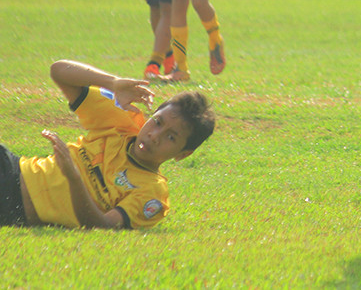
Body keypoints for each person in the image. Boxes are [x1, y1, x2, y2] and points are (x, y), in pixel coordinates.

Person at [0, 59, 214, 229]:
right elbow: (59, 71)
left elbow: (101, 227)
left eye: (171, 137)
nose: (154, 135)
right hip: (11, 168)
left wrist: (74, 177)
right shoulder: (122, 121)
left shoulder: (151, 193)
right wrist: (111, 82)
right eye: (157, 122)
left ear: (183, 154)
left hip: (13, 206)